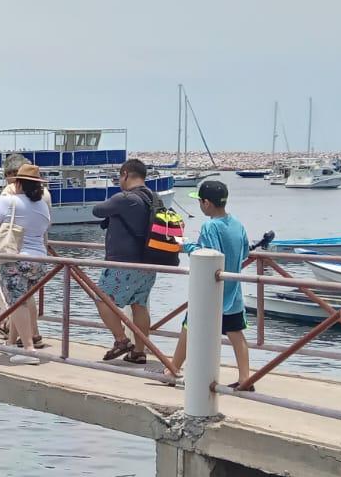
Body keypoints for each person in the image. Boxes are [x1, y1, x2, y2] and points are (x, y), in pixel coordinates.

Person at [170, 180, 253, 388]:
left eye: (200, 201)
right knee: (236, 332)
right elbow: (245, 253)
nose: (199, 205)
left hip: (210, 291)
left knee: (189, 327)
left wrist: (186, 246)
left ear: (207, 203)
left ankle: (172, 369)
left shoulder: (209, 226)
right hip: (233, 290)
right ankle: (245, 378)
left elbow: (209, 254)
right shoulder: (238, 224)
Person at [0, 162, 53, 363]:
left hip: (15, 259)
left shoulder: (9, 201)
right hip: (39, 261)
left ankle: (29, 350)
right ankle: (11, 344)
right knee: (19, 301)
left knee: (17, 302)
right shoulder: (42, 205)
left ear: (18, 183)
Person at [92, 158, 158, 364]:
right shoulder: (153, 198)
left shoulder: (125, 198)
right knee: (139, 305)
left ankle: (121, 340)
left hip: (122, 263)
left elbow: (97, 210)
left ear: (125, 174)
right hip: (148, 262)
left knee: (102, 298)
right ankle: (139, 352)